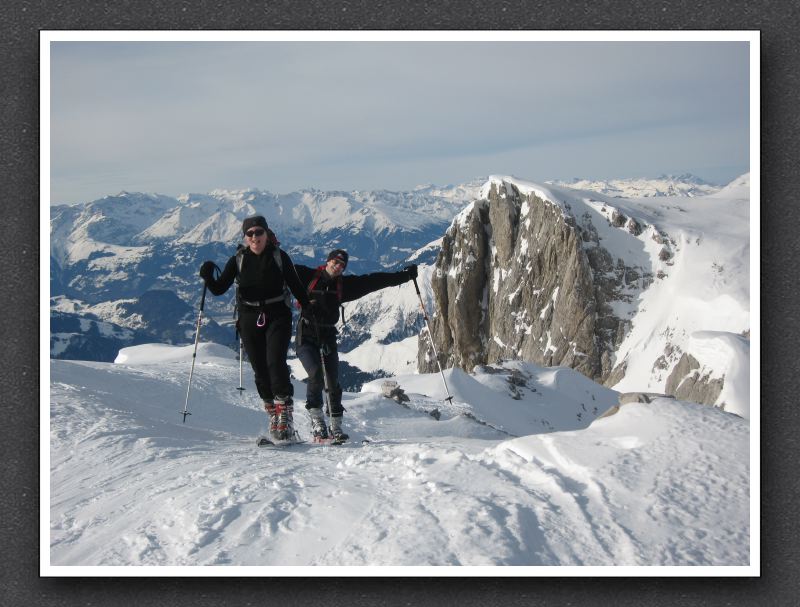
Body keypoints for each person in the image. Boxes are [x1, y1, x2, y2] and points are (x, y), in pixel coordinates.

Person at [199, 215, 311, 442]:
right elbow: (220, 289)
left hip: (278, 314)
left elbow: (296, 286)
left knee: (274, 361)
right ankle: (273, 413)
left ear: (267, 234)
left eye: (258, 232)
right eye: (249, 233)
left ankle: (285, 415)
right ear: (245, 236)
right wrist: (208, 276)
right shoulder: (239, 259)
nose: (254, 237)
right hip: (248, 316)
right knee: (260, 368)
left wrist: (310, 310)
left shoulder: (280, 257)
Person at [295, 249, 418, 443]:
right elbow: (281, 267)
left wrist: (404, 276)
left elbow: (373, 281)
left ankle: (336, 426)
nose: (338, 267)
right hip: (306, 336)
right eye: (335, 262)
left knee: (333, 382)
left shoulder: (344, 286)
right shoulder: (307, 276)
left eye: (342, 266)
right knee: (315, 374)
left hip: (327, 337)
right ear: (328, 261)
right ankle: (317, 420)